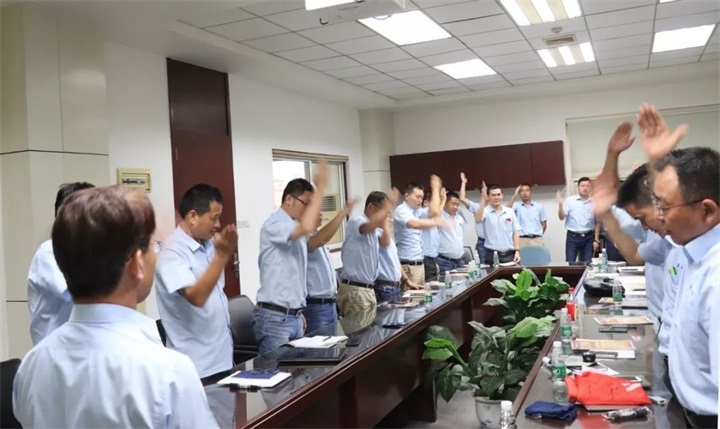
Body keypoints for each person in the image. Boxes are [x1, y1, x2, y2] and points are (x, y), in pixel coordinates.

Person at [13, 186, 219, 428]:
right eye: (154, 245)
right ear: (136, 263)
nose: (157, 254)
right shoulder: (168, 373)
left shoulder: (31, 367)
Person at [638, 104, 718, 428]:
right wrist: (661, 162)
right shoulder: (690, 250)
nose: (657, 217)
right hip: (689, 411)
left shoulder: (715, 275)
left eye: (665, 207)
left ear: (707, 211)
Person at [155, 184, 237, 378]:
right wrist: (222, 256)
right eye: (214, 218)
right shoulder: (172, 252)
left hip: (223, 358)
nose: (218, 224)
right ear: (192, 216)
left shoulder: (210, 243)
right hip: (197, 367)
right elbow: (196, 296)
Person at [252, 163, 328, 354]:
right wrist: (320, 187)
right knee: (277, 370)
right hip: (275, 319)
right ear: (288, 200)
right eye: (306, 204)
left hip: (293, 316)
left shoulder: (295, 228)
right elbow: (306, 226)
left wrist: (298, 312)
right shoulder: (275, 224)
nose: (308, 210)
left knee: (298, 369)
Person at [27, 181, 94, 345]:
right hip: (56, 350)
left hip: (83, 345)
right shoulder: (49, 251)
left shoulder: (90, 250)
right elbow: (76, 293)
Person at [338, 190, 398, 316]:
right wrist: (390, 205)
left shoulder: (375, 231)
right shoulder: (357, 220)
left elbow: (385, 241)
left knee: (370, 326)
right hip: (356, 289)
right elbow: (368, 227)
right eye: (384, 210)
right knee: (360, 327)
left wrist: (386, 220)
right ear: (371, 207)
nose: (386, 215)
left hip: (367, 289)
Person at [304, 200, 356, 335]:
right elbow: (320, 240)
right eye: (317, 210)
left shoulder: (316, 234)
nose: (321, 214)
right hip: (315, 307)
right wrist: (343, 213)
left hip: (330, 305)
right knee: (321, 346)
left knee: (333, 344)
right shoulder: (303, 236)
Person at [393, 178, 444, 289]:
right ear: (407, 196)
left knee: (421, 296)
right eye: (417, 197)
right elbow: (414, 224)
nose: (420, 200)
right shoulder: (401, 210)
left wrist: (436, 189)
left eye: (421, 197)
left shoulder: (417, 211)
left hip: (420, 263)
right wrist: (436, 222)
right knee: (412, 297)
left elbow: (433, 212)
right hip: (408, 265)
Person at [475, 183, 521, 265]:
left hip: (510, 254)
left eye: (498, 194)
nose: (496, 197)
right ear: (488, 197)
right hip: (491, 254)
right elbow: (478, 220)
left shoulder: (510, 211)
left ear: (502, 196)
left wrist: (517, 251)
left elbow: (516, 232)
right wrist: (483, 199)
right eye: (493, 195)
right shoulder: (485, 211)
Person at [557, 177, 600, 262]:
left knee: (588, 264)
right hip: (573, 237)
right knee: (570, 263)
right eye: (582, 186)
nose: (585, 188)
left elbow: (598, 222)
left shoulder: (594, 202)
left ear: (591, 188)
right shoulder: (570, 200)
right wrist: (560, 205)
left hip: (588, 237)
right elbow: (561, 217)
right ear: (578, 187)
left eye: (587, 186)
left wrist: (596, 239)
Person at [374, 214, 402, 304]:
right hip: (385, 287)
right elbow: (385, 242)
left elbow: (395, 260)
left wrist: (406, 279)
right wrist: (385, 223)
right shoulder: (375, 234)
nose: (391, 220)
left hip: (395, 286)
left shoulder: (386, 235)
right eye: (389, 217)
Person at [507, 183, 547, 248]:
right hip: (522, 239)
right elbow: (506, 212)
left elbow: (544, 224)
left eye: (527, 190)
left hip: (537, 239)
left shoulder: (539, 206)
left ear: (531, 192)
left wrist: (538, 234)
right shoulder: (516, 206)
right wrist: (514, 195)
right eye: (522, 191)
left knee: (540, 254)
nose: (525, 193)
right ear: (519, 193)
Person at [459, 172, 487, 263]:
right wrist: (463, 182)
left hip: (495, 241)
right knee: (484, 266)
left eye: (486, 192)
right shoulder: (476, 207)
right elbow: (462, 198)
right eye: (482, 193)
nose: (484, 194)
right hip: (482, 242)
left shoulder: (496, 208)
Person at [437, 190, 467, 272]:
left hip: (460, 260)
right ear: (445, 203)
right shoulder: (440, 217)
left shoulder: (460, 218)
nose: (455, 207)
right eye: (453, 204)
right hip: (445, 261)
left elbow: (461, 236)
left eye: (457, 205)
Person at [420, 190, 442, 282]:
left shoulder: (432, 217)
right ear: (426, 203)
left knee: (435, 285)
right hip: (426, 257)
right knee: (431, 286)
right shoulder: (422, 212)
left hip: (433, 258)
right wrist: (444, 199)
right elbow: (435, 212)